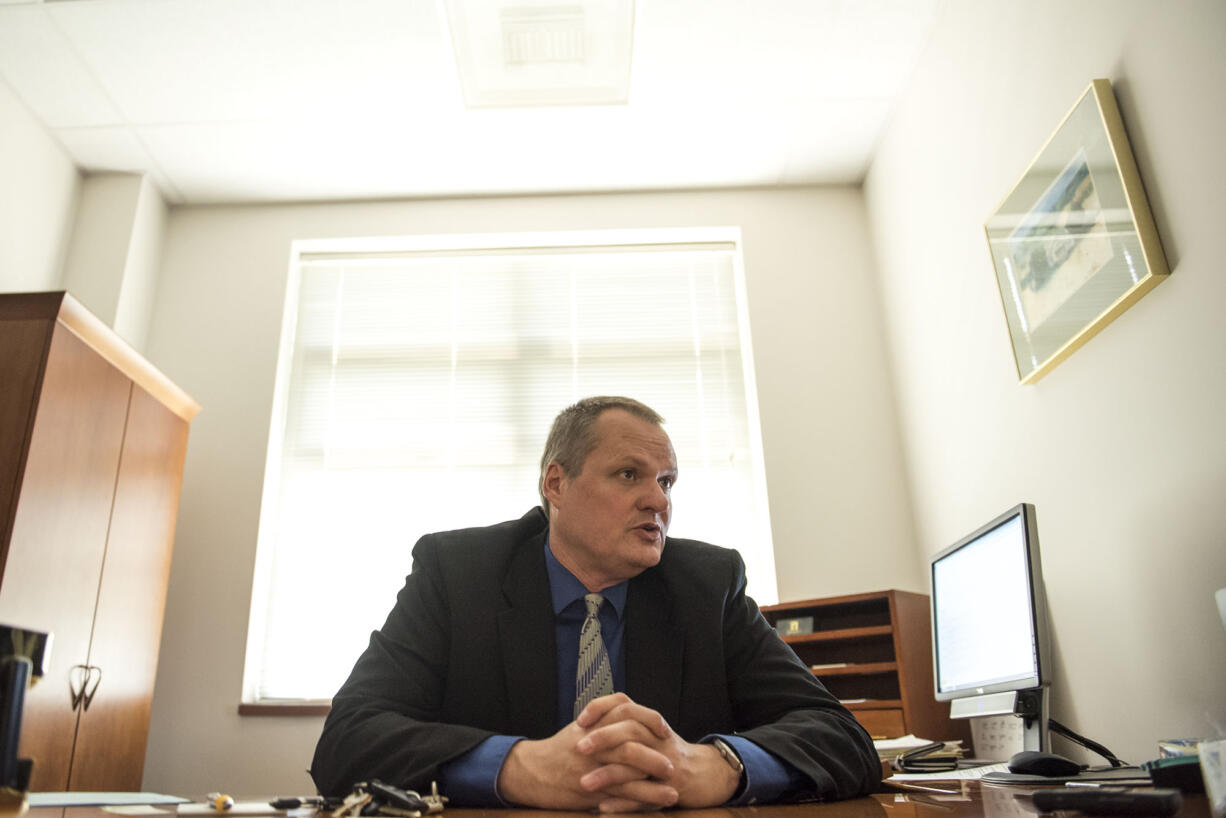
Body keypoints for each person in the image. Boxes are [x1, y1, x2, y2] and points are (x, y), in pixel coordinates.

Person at [310, 396, 879, 810]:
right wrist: (516, 768)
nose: (657, 499)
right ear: (555, 484)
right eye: (629, 474)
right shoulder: (458, 574)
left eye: (668, 481)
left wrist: (718, 767)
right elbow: (349, 739)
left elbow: (840, 736)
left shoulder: (708, 584)